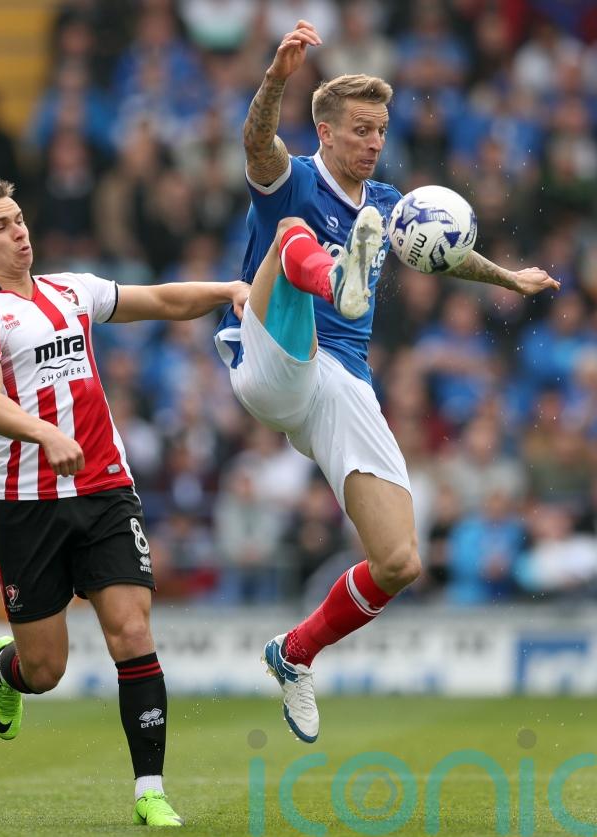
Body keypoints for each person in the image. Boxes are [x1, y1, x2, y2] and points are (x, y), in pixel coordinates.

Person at [214, 20, 560, 743]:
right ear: (327, 130)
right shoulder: (295, 177)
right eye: (362, 129)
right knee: (290, 234)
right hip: (272, 354)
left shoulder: (389, 203)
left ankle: (295, 651)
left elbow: (445, 253)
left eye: (381, 129)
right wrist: (277, 78)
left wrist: (506, 276)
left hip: (341, 382)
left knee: (399, 559)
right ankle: (331, 277)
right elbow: (255, 144)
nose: (374, 141)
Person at [0, 178, 248, 827]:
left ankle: (150, 788)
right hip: (28, 503)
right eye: (0, 226)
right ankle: (10, 669)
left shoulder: (71, 289)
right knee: (46, 668)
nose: (18, 230)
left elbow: (159, 298)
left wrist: (226, 291)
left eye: (19, 218)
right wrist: (45, 430)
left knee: (132, 629)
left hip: (106, 487)